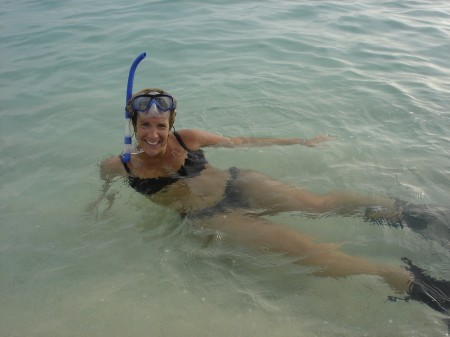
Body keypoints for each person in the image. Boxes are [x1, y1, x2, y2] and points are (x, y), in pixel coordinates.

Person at [95, 87, 449, 325]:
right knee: (312, 252)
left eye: (160, 125)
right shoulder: (120, 165)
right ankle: (411, 282)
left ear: (170, 123)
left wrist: (300, 142)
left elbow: (240, 141)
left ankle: (416, 215)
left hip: (238, 183)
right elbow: (105, 188)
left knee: (318, 204)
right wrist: (101, 206)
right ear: (134, 125)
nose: (153, 134)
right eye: (145, 126)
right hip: (215, 217)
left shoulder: (188, 137)